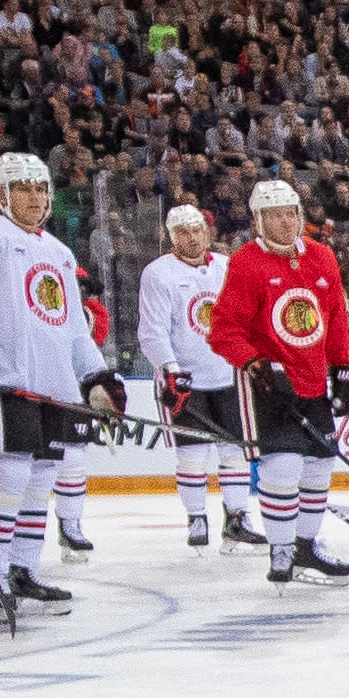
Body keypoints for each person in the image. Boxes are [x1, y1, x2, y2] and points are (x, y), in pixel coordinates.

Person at [0, 152, 117, 623]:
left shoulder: (58, 251)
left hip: (54, 387)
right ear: (1, 194)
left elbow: (74, 326)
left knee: (39, 482)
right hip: (8, 380)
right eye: (22, 188)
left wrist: (96, 375)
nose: (34, 197)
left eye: (40, 188)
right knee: (9, 476)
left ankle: (22, 572)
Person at [211, 177, 349, 594]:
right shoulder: (245, 262)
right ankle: (281, 550)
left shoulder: (323, 257)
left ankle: (306, 546)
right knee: (283, 467)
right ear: (258, 220)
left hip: (313, 382)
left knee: (317, 467)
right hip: (269, 386)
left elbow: (336, 320)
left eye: (291, 213)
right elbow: (224, 330)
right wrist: (255, 363)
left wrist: (346, 369)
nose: (285, 222)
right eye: (275, 215)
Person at [138, 202, 253, 552]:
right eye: (183, 232)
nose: (191, 237)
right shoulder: (158, 273)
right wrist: (171, 370)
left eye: (197, 230)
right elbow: (152, 331)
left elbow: (243, 316)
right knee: (193, 454)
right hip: (184, 377)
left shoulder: (226, 266)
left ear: (207, 231)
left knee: (236, 451)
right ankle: (197, 516)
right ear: (170, 236)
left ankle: (236, 519)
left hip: (228, 374)